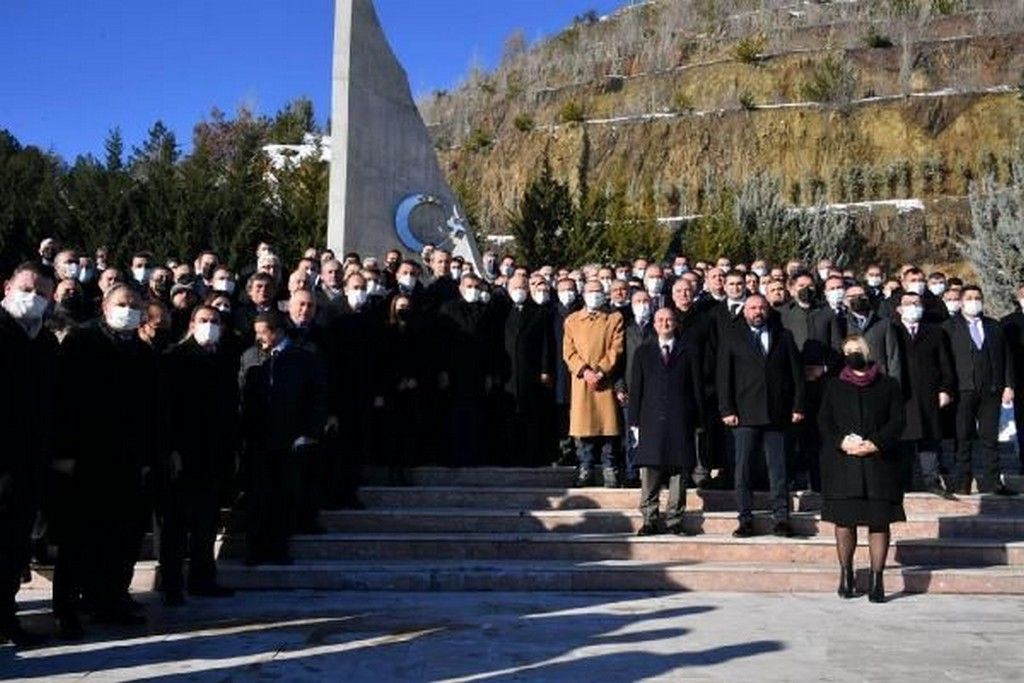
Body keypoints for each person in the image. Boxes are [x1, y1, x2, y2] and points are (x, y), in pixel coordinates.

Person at [54, 284, 159, 630]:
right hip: (86, 457)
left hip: (126, 460)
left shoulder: (142, 353)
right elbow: (63, 400)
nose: (127, 310)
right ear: (104, 305)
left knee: (122, 535)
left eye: (133, 305)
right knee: (80, 537)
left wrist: (145, 456)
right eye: (121, 303)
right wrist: (64, 452)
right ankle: (67, 608)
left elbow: (147, 409)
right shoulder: (82, 341)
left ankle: (111, 600)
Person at [158, 306, 238, 606]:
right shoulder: (174, 359)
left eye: (214, 321)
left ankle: (203, 579)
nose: (209, 325)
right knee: (176, 524)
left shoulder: (224, 359)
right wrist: (171, 449)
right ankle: (171, 583)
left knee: (206, 522)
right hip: (183, 453)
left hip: (214, 454)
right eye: (203, 321)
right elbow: (167, 411)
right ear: (192, 324)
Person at [818, 335, 907, 602]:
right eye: (848, 351)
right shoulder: (834, 386)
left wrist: (876, 443)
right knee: (845, 522)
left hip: (879, 463)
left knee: (879, 522)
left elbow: (898, 420)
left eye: (857, 349)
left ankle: (877, 581)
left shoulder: (888, 384)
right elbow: (824, 421)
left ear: (867, 351)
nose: (853, 354)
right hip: (843, 464)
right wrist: (841, 442)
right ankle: (847, 575)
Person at [239, 312, 328, 565]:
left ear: (277, 332)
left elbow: (317, 397)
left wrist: (309, 432)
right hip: (257, 438)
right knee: (258, 496)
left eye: (262, 333)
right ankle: (255, 549)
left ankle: (278, 548)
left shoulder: (303, 358)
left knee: (284, 495)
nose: (258, 338)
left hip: (290, 439)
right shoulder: (250, 356)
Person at [0, 263, 58, 646]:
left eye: (41, 293)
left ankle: (7, 620)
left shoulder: (44, 342)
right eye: (26, 288)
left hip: (28, 461)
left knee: (12, 547)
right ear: (7, 287)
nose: (33, 298)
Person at [717, 295, 804, 537]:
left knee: (778, 469)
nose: (758, 312)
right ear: (744, 311)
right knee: (743, 469)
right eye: (753, 308)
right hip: (744, 415)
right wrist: (727, 409)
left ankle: (781, 518)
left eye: (762, 307)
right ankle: (745, 519)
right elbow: (724, 377)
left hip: (777, 414)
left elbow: (796, 376)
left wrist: (798, 406)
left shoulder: (784, 336)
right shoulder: (732, 338)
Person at [629, 308, 704, 536]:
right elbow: (636, 389)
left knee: (678, 472)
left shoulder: (688, 351)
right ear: (654, 324)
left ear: (676, 323)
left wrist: (698, 419)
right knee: (650, 471)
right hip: (651, 420)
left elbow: (696, 388)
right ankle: (650, 518)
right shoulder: (643, 352)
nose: (665, 323)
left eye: (669, 319)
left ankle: (674, 519)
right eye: (660, 319)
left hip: (680, 419)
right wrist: (634, 422)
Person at [943, 286, 1016, 495]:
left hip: (991, 389)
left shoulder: (994, 327)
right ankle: (962, 482)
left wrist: (1008, 384)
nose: (973, 301)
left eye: (977, 298)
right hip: (962, 390)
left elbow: (1006, 356)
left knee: (989, 437)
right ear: (961, 301)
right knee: (963, 437)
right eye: (969, 298)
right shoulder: (949, 327)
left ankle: (993, 481)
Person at [892, 292, 956, 497]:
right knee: (902, 439)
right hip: (901, 393)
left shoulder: (935, 332)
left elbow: (945, 364)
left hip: (928, 393)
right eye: (908, 303)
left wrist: (946, 389)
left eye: (917, 303)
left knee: (929, 436)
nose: (913, 306)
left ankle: (931, 479)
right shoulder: (892, 331)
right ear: (899, 309)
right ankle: (903, 481)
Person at [563, 278, 625, 487]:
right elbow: (568, 352)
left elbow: (615, 349)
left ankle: (610, 468)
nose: (594, 295)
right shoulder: (572, 320)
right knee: (583, 429)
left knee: (608, 427)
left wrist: (600, 370)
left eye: (598, 291)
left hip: (604, 381)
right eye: (590, 291)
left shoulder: (614, 318)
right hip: (581, 382)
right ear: (583, 294)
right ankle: (585, 468)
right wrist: (584, 370)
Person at [495, 274, 555, 466]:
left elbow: (546, 343)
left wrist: (545, 369)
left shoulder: (538, 312)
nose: (519, 291)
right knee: (508, 416)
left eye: (522, 287)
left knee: (531, 415)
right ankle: (508, 456)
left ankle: (530, 457)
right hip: (507, 374)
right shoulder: (501, 312)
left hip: (531, 372)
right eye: (515, 287)